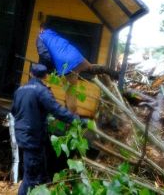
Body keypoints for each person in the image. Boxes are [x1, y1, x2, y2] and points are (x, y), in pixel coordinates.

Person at [11, 63, 83, 195]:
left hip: (23, 136)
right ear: (45, 76)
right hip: (32, 138)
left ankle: (46, 187)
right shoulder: (41, 91)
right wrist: (77, 120)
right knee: (30, 178)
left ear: (31, 74)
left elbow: (14, 111)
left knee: (42, 171)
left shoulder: (20, 90)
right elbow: (57, 110)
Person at [37, 23, 118, 112]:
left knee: (70, 93)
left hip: (65, 65)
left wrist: (52, 64)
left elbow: (43, 53)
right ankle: (111, 72)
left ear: (42, 29)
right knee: (91, 68)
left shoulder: (41, 37)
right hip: (76, 56)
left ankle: (73, 119)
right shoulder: (55, 34)